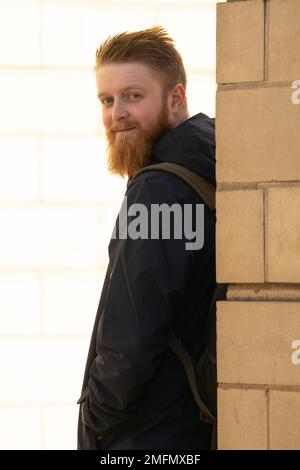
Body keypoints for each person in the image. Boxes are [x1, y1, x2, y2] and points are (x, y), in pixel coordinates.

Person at [77, 25, 216, 450]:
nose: (116, 113)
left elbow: (129, 343)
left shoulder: (157, 192)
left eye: (133, 96)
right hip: (193, 428)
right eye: (107, 99)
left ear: (175, 98)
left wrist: (95, 423)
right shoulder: (212, 165)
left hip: (148, 436)